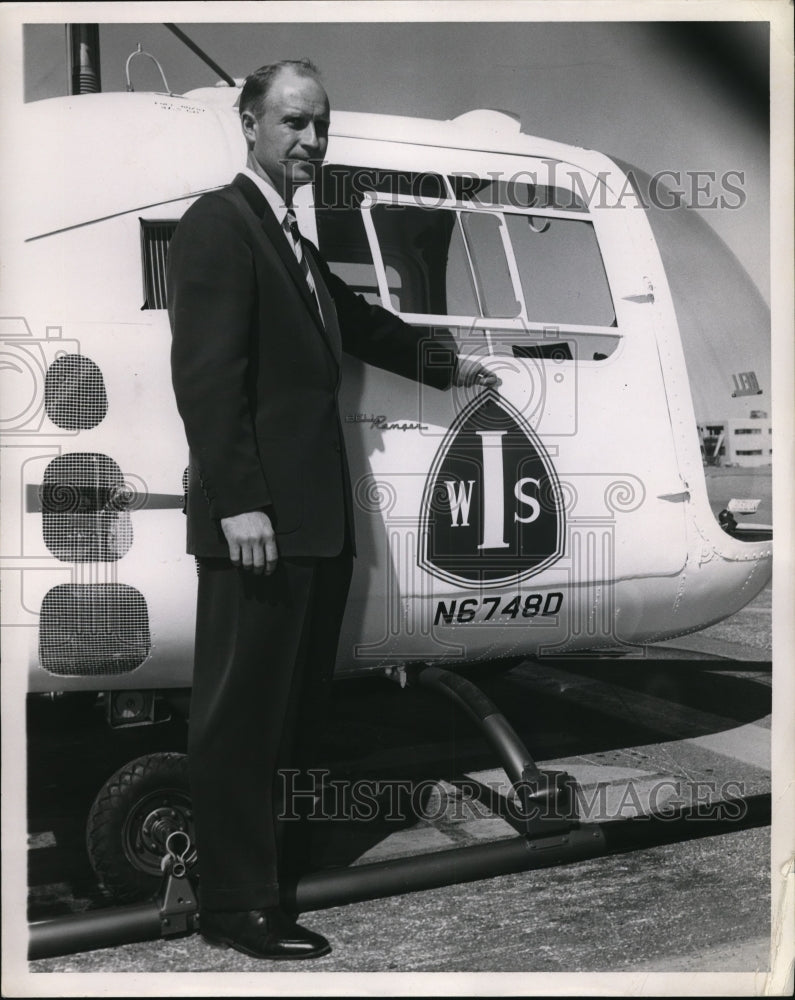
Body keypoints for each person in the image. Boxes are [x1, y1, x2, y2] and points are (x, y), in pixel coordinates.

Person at [167, 58, 497, 961]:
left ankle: (271, 882)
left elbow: (361, 326)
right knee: (242, 718)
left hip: (313, 526)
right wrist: (240, 503)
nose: (310, 141)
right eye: (293, 123)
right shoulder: (220, 225)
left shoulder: (296, 246)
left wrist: (449, 364)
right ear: (249, 123)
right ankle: (233, 908)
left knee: (291, 715)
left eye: (320, 125)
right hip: (259, 525)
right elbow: (205, 378)